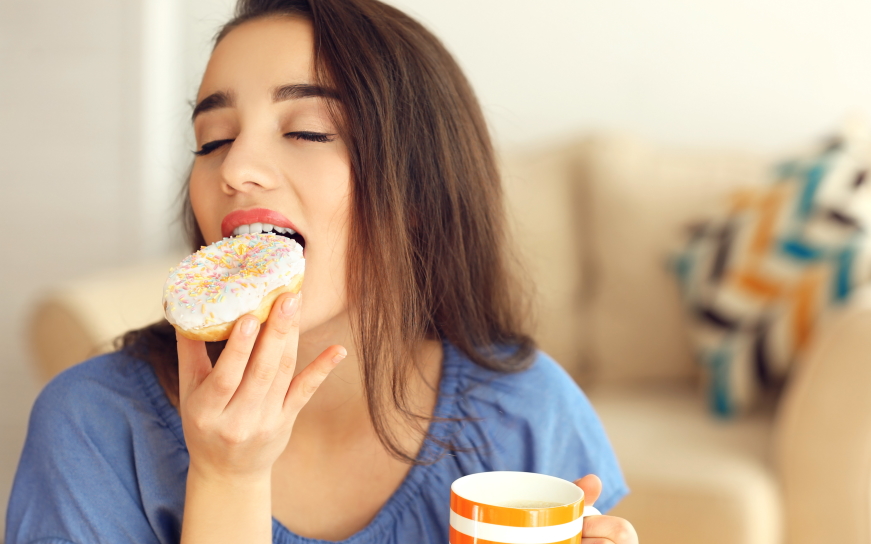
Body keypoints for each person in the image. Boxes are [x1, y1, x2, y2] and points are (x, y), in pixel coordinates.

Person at [6, 1, 638, 542]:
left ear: (419, 195)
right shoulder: (92, 427)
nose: (236, 167)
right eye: (212, 140)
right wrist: (229, 477)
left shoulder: (527, 413)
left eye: (305, 131)